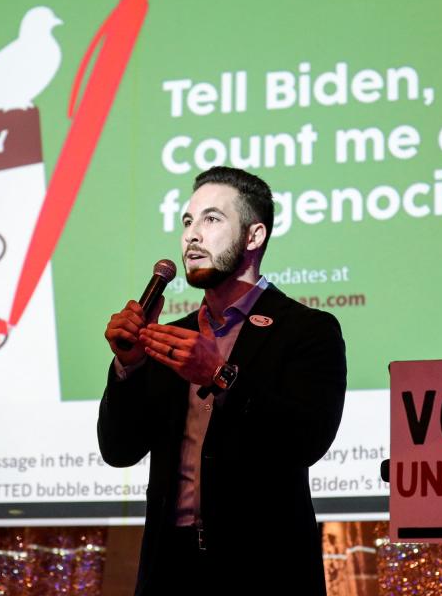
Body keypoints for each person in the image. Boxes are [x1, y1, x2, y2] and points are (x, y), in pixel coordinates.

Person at [98, 166, 347, 595]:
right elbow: (119, 450)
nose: (192, 236)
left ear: (254, 237)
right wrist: (130, 365)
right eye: (187, 222)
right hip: (169, 569)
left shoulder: (307, 329)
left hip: (262, 567)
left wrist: (221, 375)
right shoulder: (172, 336)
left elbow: (308, 440)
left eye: (212, 220)